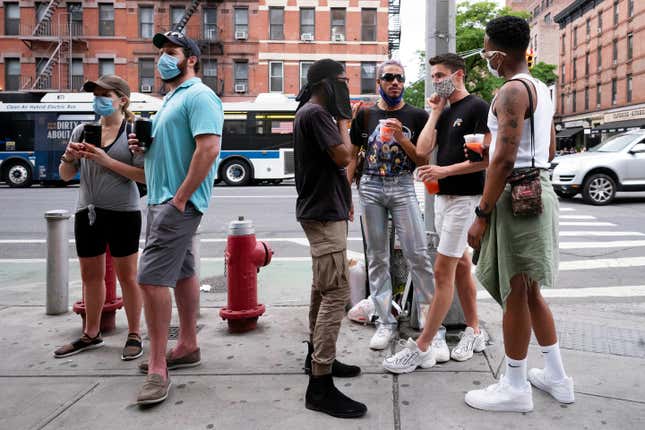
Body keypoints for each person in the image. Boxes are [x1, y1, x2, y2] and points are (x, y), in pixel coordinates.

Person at [464, 16, 574, 412]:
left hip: (516, 195)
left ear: (497, 52)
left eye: (486, 49)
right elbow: (548, 150)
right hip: (537, 189)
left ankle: (515, 385)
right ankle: (557, 378)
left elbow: (505, 158)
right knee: (530, 291)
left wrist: (482, 213)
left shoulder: (511, 90)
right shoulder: (541, 89)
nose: (486, 57)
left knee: (515, 292)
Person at [381, 54, 491, 374]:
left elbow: (484, 159)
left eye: (440, 74)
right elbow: (424, 148)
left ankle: (423, 347)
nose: (435, 80)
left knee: (441, 271)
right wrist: (435, 111)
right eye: (432, 75)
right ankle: (474, 330)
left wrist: (443, 171)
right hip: (443, 200)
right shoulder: (444, 109)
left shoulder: (477, 108)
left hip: (465, 198)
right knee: (460, 267)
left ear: (458, 74)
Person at [130, 31, 222, 406]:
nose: (163, 59)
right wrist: (144, 148)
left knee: (150, 280)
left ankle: (157, 369)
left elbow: (209, 147)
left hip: (174, 202)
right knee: (183, 272)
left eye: (171, 52)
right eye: (161, 54)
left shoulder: (199, 95)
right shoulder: (169, 100)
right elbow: (172, 149)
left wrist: (180, 199)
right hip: (161, 199)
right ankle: (187, 345)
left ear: (191, 59)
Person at [294, 58, 367, 419]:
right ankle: (320, 384)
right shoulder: (317, 115)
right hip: (322, 215)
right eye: (341, 81)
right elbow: (342, 157)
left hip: (328, 210)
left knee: (322, 289)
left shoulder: (312, 112)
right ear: (325, 83)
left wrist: (347, 200)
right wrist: (349, 123)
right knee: (337, 292)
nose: (346, 85)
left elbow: (333, 169)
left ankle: (317, 357)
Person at [54, 75, 144, 361]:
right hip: (87, 212)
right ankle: (91, 333)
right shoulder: (82, 130)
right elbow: (65, 175)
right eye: (95, 95)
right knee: (90, 276)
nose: (98, 100)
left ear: (122, 100)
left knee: (127, 276)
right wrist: (69, 157)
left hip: (123, 213)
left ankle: (134, 334)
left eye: (105, 95)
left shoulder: (132, 133)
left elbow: (144, 176)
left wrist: (106, 161)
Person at [347, 60, 433, 351]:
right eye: (389, 77)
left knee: (418, 253)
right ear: (379, 83)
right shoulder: (366, 114)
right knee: (377, 258)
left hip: (403, 185)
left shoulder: (417, 116)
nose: (395, 82)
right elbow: (354, 153)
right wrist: (346, 192)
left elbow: (423, 160)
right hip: (370, 186)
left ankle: (427, 313)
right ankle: (385, 321)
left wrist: (400, 136)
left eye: (400, 78)